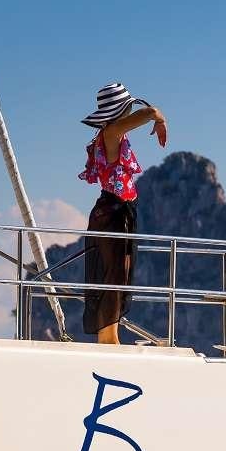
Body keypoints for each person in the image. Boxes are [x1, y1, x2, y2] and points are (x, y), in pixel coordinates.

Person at [77, 82, 167, 344]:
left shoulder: (112, 134)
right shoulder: (112, 132)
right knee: (114, 274)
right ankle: (108, 337)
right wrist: (158, 116)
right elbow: (148, 114)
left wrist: (154, 116)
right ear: (122, 110)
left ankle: (109, 335)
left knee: (118, 274)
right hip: (114, 210)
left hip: (119, 210)